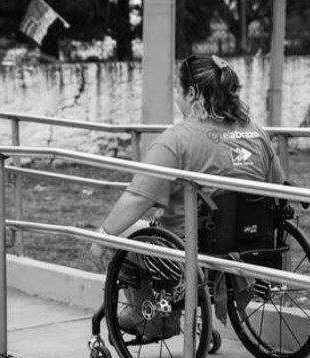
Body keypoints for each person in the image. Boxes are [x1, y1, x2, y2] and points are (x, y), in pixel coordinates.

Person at [89, 54, 286, 338]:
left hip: (186, 254)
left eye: (179, 92)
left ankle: (149, 317)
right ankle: (166, 315)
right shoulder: (256, 133)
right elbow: (277, 190)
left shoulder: (176, 139)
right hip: (247, 252)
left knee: (125, 233)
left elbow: (137, 199)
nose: (177, 99)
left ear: (192, 93)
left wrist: (101, 237)